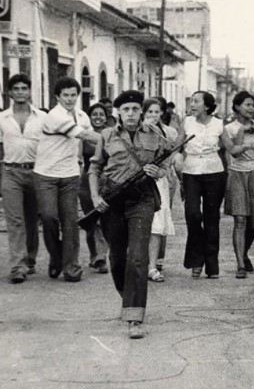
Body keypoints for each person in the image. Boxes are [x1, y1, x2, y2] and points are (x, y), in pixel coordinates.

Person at [88, 90, 167, 339]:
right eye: (126, 110)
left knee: (137, 256)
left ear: (141, 111)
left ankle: (135, 317)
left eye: (135, 109)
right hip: (112, 200)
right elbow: (94, 167)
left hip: (142, 199)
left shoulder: (154, 134)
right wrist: (95, 197)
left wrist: (158, 172)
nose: (131, 114)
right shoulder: (107, 135)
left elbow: (165, 165)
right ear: (118, 113)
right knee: (118, 259)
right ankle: (129, 299)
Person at [33, 77, 100, 282]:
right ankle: (56, 257)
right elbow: (86, 137)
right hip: (46, 174)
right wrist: (116, 137)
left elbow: (88, 144)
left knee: (70, 222)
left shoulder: (82, 115)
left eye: (73, 95)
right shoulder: (54, 116)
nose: (70, 99)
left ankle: (72, 267)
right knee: (49, 218)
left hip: (70, 174)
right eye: (66, 95)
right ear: (57, 97)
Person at [0, 73, 45, 283]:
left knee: (32, 219)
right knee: (14, 220)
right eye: (16, 89)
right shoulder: (1, 118)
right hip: (11, 172)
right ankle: (18, 266)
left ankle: (30, 258)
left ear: (30, 91)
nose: (20, 92)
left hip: (37, 171)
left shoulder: (41, 117)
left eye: (24, 88)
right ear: (10, 93)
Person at [179, 91, 229, 279]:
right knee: (192, 214)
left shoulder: (218, 124)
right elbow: (176, 146)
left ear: (207, 106)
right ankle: (196, 258)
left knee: (211, 219)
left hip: (214, 172)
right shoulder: (186, 122)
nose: (192, 104)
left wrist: (249, 144)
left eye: (196, 101)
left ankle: (211, 265)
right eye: (191, 100)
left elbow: (230, 148)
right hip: (191, 171)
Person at [224, 91, 254, 278]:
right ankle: (240, 264)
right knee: (240, 218)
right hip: (237, 173)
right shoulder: (228, 128)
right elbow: (233, 152)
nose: (251, 108)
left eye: (253, 105)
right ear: (237, 107)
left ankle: (244, 252)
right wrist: (242, 132)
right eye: (247, 105)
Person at [142, 99, 176, 282]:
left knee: (156, 226)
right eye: (149, 112)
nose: (153, 116)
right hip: (139, 183)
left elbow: (167, 162)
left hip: (158, 183)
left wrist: (160, 172)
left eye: (157, 112)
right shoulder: (136, 132)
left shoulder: (167, 134)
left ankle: (153, 266)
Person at [78, 103, 110, 275]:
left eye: (101, 114)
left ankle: (100, 257)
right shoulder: (83, 136)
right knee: (91, 220)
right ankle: (94, 255)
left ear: (106, 117)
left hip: (108, 180)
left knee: (102, 220)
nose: (98, 117)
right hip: (86, 182)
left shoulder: (112, 134)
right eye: (94, 114)